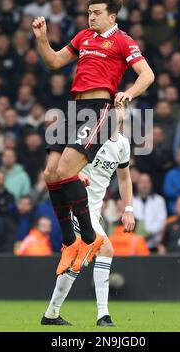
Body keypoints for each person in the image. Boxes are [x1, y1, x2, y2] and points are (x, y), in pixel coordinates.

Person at [32, 0, 154, 276]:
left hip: (99, 108)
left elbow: (147, 74)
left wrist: (129, 92)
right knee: (50, 173)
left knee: (65, 170)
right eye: (89, 12)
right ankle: (68, 242)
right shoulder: (83, 36)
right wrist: (41, 40)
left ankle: (89, 237)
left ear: (112, 16)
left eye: (97, 12)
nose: (91, 17)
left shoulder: (123, 40)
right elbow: (53, 61)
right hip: (74, 108)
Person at [42, 103, 135, 327]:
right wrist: (75, 177)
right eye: (114, 111)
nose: (118, 115)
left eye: (120, 112)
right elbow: (60, 167)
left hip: (93, 210)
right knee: (105, 247)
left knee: (78, 262)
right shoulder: (89, 137)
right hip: (77, 206)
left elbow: (124, 179)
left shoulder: (122, 145)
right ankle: (103, 315)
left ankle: (51, 314)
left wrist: (128, 209)